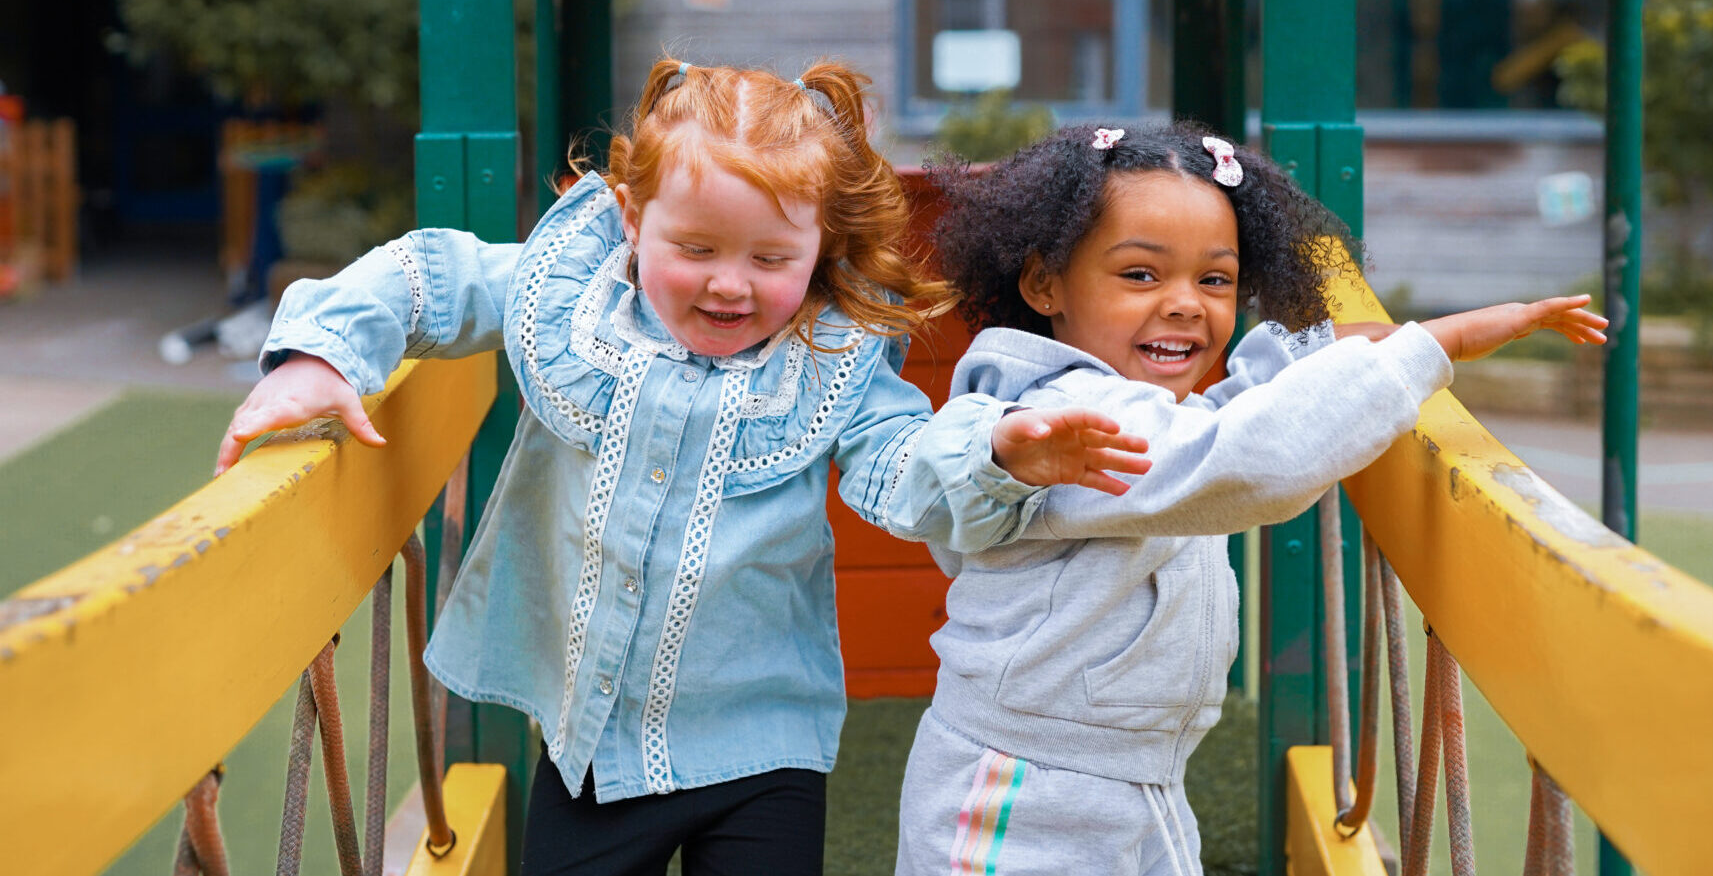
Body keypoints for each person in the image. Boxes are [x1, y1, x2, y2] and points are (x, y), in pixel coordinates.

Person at [215, 60, 1152, 876]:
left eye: (773, 256)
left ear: (820, 242)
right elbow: (432, 277)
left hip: (765, 738)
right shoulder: (572, 296)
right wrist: (321, 354)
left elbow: (896, 461)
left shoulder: (829, 357)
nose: (730, 283)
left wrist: (994, 451)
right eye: (695, 248)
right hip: (592, 737)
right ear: (631, 215)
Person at [896, 122, 1606, 876]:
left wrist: (1332, 346)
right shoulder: (1072, 421)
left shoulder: (1143, 410)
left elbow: (1217, 416)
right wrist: (1433, 345)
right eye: (1140, 274)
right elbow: (1242, 456)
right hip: (1025, 795)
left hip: (1131, 780)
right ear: (1044, 284)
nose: (1184, 305)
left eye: (1215, 280)